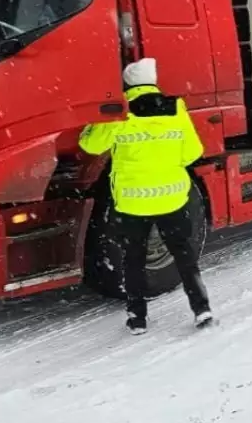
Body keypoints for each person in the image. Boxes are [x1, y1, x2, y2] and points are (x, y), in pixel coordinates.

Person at [79, 57, 211, 335]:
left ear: (127, 83)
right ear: (152, 81)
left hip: (133, 202)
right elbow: (193, 153)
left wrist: (96, 122)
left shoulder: (120, 110)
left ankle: (137, 318)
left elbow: (90, 145)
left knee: (134, 260)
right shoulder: (175, 107)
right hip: (172, 199)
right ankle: (201, 309)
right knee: (184, 257)